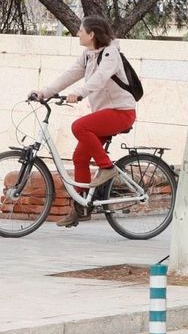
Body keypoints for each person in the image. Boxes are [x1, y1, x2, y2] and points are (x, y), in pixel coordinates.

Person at [29, 16, 139, 228]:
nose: (77, 33)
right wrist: (44, 92)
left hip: (121, 112)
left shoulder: (111, 54)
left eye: (81, 30)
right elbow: (68, 75)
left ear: (92, 34)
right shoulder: (88, 55)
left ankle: (107, 168)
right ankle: (81, 208)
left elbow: (100, 78)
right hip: (105, 114)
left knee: (79, 126)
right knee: (79, 157)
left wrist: (79, 93)